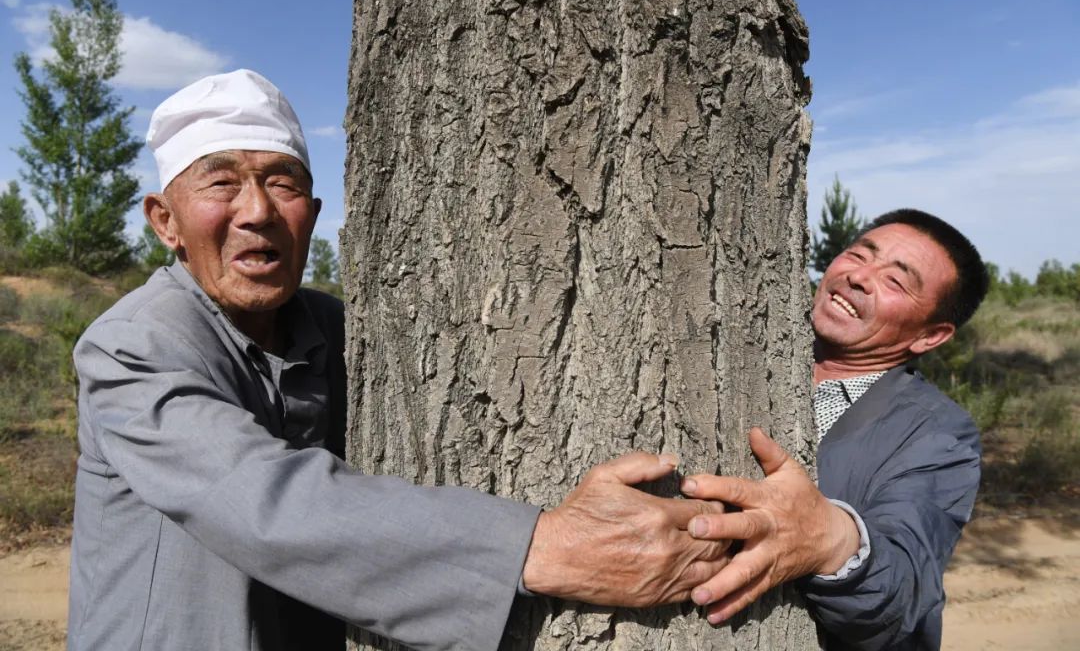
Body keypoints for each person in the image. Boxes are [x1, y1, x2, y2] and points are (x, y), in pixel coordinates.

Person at [66, 69, 729, 651]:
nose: (258, 210)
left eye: (282, 183)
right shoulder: (133, 346)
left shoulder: (336, 328)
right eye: (222, 182)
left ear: (313, 213)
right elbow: (260, 502)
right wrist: (540, 547)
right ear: (165, 221)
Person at [680, 209, 989, 649]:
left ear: (930, 336)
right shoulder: (735, 347)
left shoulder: (939, 434)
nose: (860, 277)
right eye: (859, 254)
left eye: (896, 282)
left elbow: (904, 593)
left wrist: (829, 539)